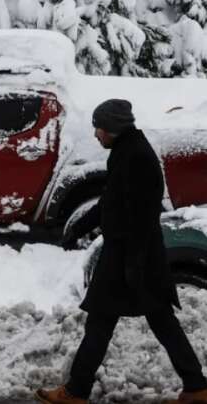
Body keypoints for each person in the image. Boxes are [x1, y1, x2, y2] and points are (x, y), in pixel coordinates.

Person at [35, 99, 207, 404]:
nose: (96, 134)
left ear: (113, 128)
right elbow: (110, 202)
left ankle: (75, 392)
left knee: (104, 323)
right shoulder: (126, 152)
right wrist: (79, 225)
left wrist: (133, 264)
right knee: (156, 321)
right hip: (133, 257)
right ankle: (196, 386)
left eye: (99, 128)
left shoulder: (135, 157)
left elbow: (142, 216)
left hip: (131, 257)